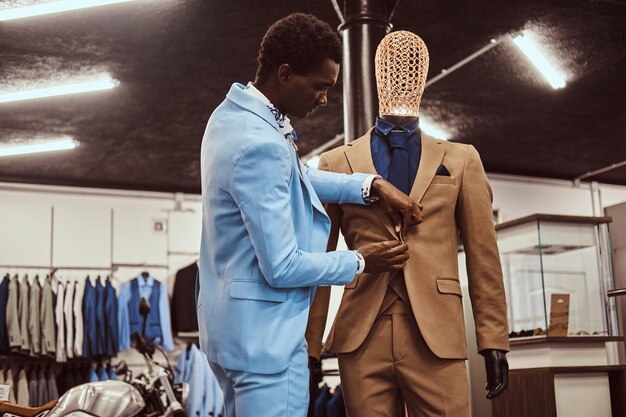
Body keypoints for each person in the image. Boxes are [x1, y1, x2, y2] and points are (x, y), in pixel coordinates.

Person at [197, 14, 422, 417]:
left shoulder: (230, 117)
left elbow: (294, 177)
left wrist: (369, 186)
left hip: (230, 335)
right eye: (320, 87)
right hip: (268, 347)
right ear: (285, 74)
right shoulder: (259, 144)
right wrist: (361, 261)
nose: (323, 99)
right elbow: (282, 267)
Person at [306, 31, 509, 417]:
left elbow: (484, 256)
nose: (402, 74)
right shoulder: (336, 163)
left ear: (424, 74)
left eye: (412, 67)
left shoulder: (462, 158)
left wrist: (493, 338)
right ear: (377, 73)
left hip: (437, 334)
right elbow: (319, 257)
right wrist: (310, 344)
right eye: (391, 66)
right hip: (361, 334)